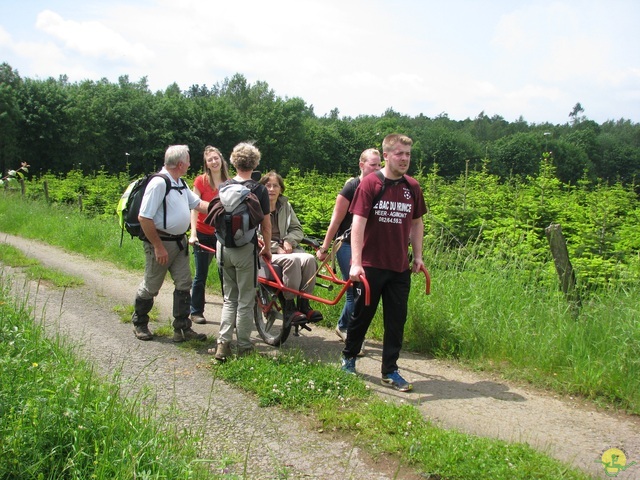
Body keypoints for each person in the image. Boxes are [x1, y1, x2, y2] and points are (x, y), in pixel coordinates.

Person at [342, 134, 427, 393]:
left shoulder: (412, 187)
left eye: (408, 154)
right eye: (399, 154)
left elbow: (416, 222)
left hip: (399, 266)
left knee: (396, 320)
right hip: (370, 267)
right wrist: (356, 263)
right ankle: (349, 357)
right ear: (387, 155)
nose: (404, 159)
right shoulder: (370, 184)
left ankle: (390, 370)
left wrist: (419, 256)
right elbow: (358, 222)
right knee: (361, 316)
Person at [132, 145, 210, 343]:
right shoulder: (159, 183)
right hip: (161, 243)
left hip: (179, 243)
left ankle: (182, 329)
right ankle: (140, 322)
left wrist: (226, 208)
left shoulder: (180, 183)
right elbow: (144, 217)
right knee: (151, 286)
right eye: (189, 160)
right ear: (181, 164)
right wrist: (157, 246)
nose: (191, 164)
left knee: (184, 283)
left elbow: (198, 205)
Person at [317, 148, 381, 355]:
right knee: (355, 290)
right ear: (361, 165)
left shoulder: (380, 187)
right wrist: (325, 248)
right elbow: (336, 220)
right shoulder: (351, 187)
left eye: (379, 164)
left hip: (368, 246)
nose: (377, 168)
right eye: (373, 164)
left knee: (364, 290)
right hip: (345, 244)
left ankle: (344, 325)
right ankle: (347, 329)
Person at [212, 142, 271, 361]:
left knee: (230, 298)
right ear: (255, 163)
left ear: (234, 162)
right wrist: (266, 249)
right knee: (246, 299)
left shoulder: (224, 186)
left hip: (223, 247)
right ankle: (244, 346)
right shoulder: (259, 189)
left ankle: (223, 345)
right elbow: (266, 225)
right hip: (246, 249)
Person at [259, 171, 323, 325]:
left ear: (281, 189)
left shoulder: (285, 206)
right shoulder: (257, 205)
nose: (272, 189)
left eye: (276, 186)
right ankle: (289, 306)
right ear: (262, 188)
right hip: (265, 250)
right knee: (292, 260)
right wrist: (274, 247)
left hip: (286, 248)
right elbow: (254, 234)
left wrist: (289, 241)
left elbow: (297, 229)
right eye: (268, 186)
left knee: (309, 259)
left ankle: (304, 304)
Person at [188, 146, 230, 324]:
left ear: (221, 159)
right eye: (210, 160)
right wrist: (193, 234)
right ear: (206, 163)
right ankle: (196, 310)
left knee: (226, 275)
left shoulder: (229, 182)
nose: (214, 162)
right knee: (201, 274)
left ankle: (229, 311)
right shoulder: (200, 181)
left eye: (216, 158)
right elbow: (194, 207)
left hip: (222, 234)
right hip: (203, 233)